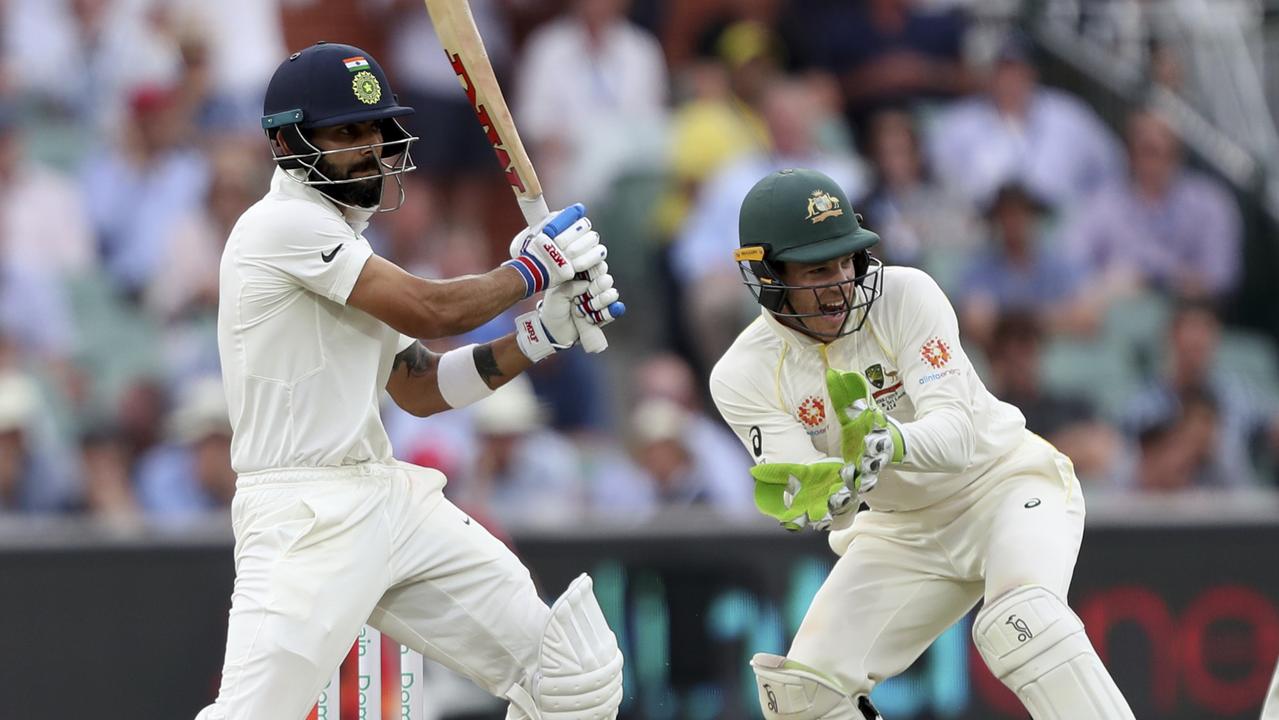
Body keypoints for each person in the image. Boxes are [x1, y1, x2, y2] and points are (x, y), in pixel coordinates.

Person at [197, 42, 624, 720]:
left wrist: (539, 335)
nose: (369, 147)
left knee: (573, 675)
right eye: (346, 132)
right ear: (286, 141)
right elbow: (433, 309)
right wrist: (534, 270)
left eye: (377, 130)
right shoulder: (281, 226)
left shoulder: (347, 244)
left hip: (386, 495)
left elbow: (420, 386)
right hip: (304, 515)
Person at [708, 168, 1133, 718]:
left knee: (1022, 622)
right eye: (817, 269)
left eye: (846, 261)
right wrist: (819, 494)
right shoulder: (741, 374)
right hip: (900, 528)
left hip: (1003, 485)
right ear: (767, 275)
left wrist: (889, 440)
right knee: (805, 698)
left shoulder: (907, 295)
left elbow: (956, 436)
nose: (840, 284)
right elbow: (800, 479)